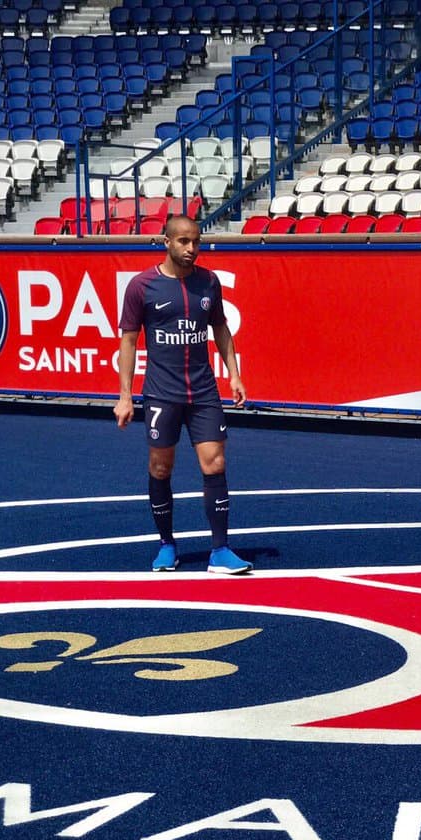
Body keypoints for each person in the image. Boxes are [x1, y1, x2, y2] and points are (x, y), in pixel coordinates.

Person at [113, 215, 253, 575]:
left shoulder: (209, 282)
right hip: (162, 394)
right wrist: (125, 396)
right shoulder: (142, 286)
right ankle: (167, 545)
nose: (191, 249)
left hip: (204, 391)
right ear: (166, 242)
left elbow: (220, 329)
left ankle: (220, 550)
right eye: (183, 242)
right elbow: (128, 341)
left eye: (196, 242)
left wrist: (234, 374)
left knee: (215, 464)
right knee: (161, 467)